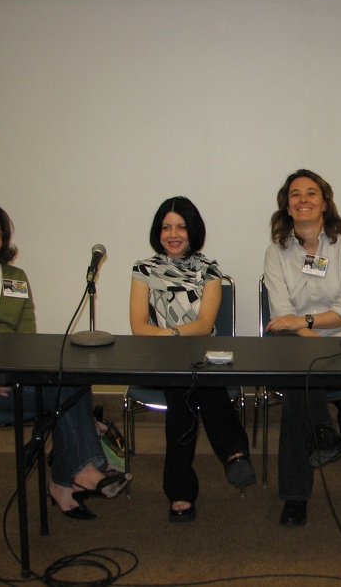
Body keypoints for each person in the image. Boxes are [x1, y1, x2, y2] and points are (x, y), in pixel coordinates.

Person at [0, 199, 130, 521]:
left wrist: (15, 375)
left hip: (10, 378)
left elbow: (25, 343)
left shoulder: (15, 277)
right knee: (68, 395)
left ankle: (67, 480)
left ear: (3, 235)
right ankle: (80, 473)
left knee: (70, 387)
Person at [129, 196, 255, 523]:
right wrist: (171, 341)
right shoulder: (143, 269)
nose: (173, 233)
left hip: (201, 354)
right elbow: (138, 327)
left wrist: (170, 334)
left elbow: (204, 325)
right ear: (158, 232)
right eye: (166, 227)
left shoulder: (210, 270)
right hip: (161, 358)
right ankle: (234, 452)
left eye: (181, 227)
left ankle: (180, 492)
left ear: (193, 230)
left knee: (189, 391)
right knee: (190, 385)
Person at [264, 168, 341, 527]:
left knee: (299, 385)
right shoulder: (276, 252)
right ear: (288, 206)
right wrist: (304, 336)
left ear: (325, 202)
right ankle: (324, 431)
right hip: (294, 346)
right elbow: (281, 315)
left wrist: (305, 324)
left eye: (312, 193)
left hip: (338, 345)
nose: (304, 200)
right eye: (295, 194)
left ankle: (295, 497)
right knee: (292, 355)